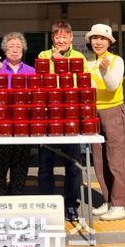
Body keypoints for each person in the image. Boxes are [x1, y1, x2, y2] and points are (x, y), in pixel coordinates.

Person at [37, 20, 87, 221]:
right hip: (48, 116)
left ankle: (70, 204)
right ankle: (47, 204)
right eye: (57, 36)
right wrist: (54, 63)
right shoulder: (43, 56)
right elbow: (41, 82)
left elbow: (79, 84)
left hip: (70, 116)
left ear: (71, 37)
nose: (61, 40)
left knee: (73, 163)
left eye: (64, 36)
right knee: (45, 163)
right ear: (52, 38)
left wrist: (61, 67)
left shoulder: (79, 57)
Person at [86, 23, 125, 221]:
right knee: (99, 159)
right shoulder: (88, 62)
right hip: (93, 112)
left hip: (113, 110)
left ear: (109, 42)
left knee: (116, 159)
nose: (98, 42)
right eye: (95, 38)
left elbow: (112, 86)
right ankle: (108, 200)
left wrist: (104, 71)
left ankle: (119, 205)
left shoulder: (116, 60)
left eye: (102, 38)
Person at [0, 32, 35, 195]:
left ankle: (16, 198)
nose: (15, 50)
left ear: (23, 50)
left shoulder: (31, 71)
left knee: (20, 166)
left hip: (24, 125)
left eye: (18, 47)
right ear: (5, 50)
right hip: (1, 124)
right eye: (11, 46)